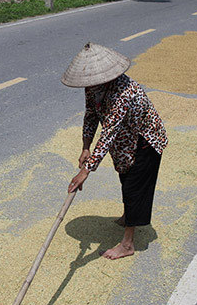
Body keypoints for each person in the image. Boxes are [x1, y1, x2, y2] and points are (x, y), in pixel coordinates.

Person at [63, 43, 168, 260]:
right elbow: (91, 115)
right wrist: (85, 146)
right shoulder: (93, 88)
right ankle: (128, 214)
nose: (91, 85)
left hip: (144, 140)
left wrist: (86, 171)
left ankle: (128, 243)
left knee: (135, 184)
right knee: (125, 176)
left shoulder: (124, 92)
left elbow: (108, 133)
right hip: (124, 139)